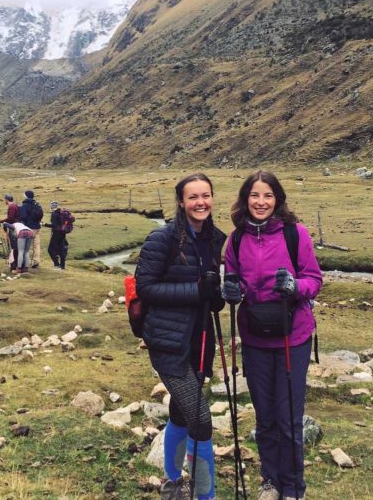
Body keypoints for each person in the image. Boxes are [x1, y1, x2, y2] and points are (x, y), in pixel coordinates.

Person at [223, 171, 322, 500]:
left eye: (267, 196)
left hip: (292, 337)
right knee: (265, 417)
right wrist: (231, 291)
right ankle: (271, 480)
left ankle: (294, 488)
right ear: (245, 199)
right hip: (254, 339)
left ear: (277, 199)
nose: (261, 202)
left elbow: (314, 280)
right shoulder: (236, 240)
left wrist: (296, 287)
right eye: (254, 195)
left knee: (288, 419)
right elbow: (234, 283)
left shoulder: (296, 235)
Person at [136, 173, 225, 500]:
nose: (200, 202)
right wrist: (196, 290)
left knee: (180, 412)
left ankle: (173, 480)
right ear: (181, 202)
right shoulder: (163, 239)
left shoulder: (216, 238)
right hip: (167, 341)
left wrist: (219, 295)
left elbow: (210, 298)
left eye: (206, 195)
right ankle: (205, 495)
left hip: (201, 341)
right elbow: (146, 288)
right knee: (201, 421)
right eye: (193, 197)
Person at [19, 190, 43, 268]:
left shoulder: (24, 205)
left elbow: (23, 217)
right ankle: (36, 261)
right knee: (37, 245)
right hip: (38, 227)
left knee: (26, 246)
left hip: (29, 228)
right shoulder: (37, 204)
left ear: (26, 196)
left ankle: (26, 262)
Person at [0, 194, 20, 270]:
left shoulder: (11, 207)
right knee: (15, 246)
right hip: (16, 227)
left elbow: (10, 218)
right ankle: (16, 263)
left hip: (13, 228)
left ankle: (14, 264)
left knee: (13, 246)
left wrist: (1, 221)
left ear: (7, 200)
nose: (4, 201)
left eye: (5, 200)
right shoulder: (15, 206)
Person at [45, 201, 68, 271]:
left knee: (50, 250)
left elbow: (54, 225)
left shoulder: (54, 214)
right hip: (63, 233)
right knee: (61, 249)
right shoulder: (61, 213)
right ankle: (62, 266)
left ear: (51, 207)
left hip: (56, 233)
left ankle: (57, 264)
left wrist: (44, 224)